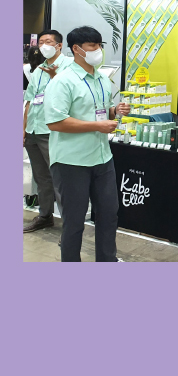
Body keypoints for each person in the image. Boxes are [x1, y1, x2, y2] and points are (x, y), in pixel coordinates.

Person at [44, 26, 130, 262]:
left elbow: (100, 111)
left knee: (108, 216)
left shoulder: (102, 79)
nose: (98, 50)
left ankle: (107, 262)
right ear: (76, 49)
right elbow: (55, 122)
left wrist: (115, 111)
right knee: (74, 222)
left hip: (102, 158)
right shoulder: (63, 81)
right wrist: (97, 126)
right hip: (71, 162)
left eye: (100, 45)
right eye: (92, 46)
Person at [23, 30, 73, 233]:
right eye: (41, 42)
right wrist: (23, 129)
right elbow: (29, 101)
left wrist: (55, 76)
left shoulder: (70, 66)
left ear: (59, 45)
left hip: (53, 131)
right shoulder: (38, 70)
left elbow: (71, 94)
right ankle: (45, 216)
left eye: (49, 42)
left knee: (60, 178)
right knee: (41, 177)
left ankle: (70, 225)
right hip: (34, 129)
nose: (44, 46)